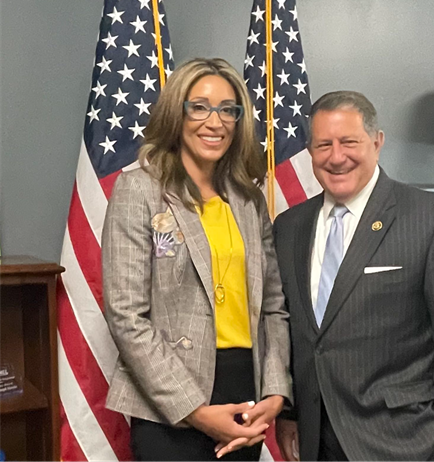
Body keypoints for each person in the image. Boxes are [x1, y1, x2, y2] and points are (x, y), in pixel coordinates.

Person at [273, 91, 434, 462]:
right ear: (309, 152)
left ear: (377, 143)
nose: (336, 156)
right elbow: (296, 333)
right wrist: (291, 413)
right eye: (323, 144)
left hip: (404, 441)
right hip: (315, 441)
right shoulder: (289, 226)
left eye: (349, 142)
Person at [102, 58, 292, 462]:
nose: (215, 121)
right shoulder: (139, 190)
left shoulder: (248, 199)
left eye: (228, 109)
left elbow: (273, 305)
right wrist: (195, 410)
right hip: (170, 399)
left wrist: (275, 391)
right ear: (177, 112)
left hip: (245, 392)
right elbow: (126, 316)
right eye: (200, 106)